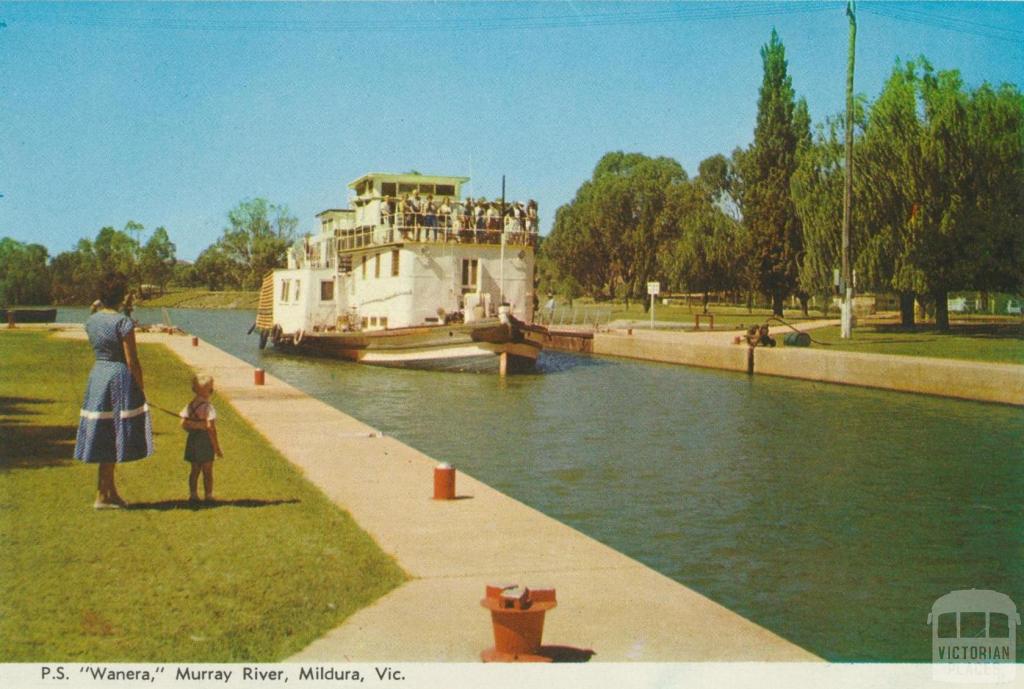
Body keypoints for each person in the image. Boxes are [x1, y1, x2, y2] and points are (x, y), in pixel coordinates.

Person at [73, 271, 154, 509]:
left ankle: (108, 492)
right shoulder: (123, 322)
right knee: (112, 435)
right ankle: (102, 495)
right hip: (118, 377)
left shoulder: (92, 321)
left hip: (98, 375)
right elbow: (132, 361)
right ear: (120, 296)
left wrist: (95, 306)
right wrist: (140, 387)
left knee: (106, 435)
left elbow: (93, 318)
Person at [180, 373, 224, 503]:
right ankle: (208, 495)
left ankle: (193, 494)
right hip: (205, 440)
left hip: (192, 439)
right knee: (207, 470)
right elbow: (211, 428)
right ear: (210, 391)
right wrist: (216, 447)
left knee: (194, 469)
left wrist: (193, 426)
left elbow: (183, 423)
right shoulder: (208, 407)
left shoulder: (190, 405)